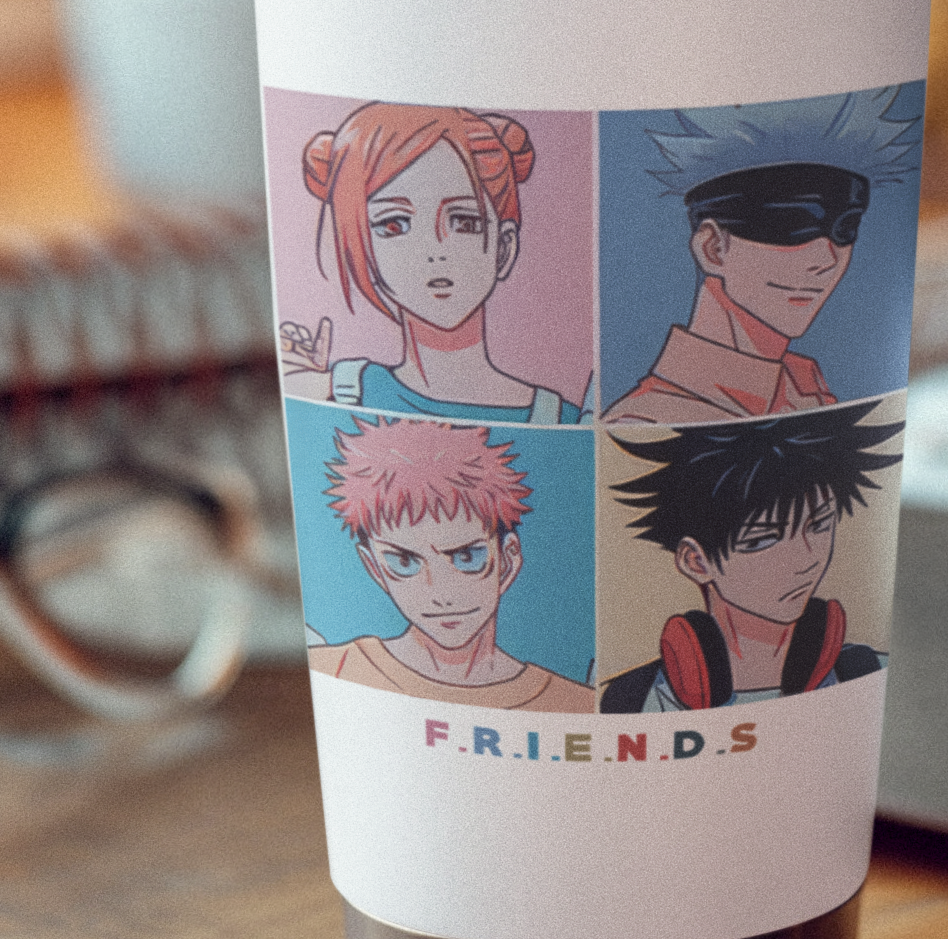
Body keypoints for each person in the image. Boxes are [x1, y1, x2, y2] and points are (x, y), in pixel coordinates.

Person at [604, 92, 917, 424]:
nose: (826, 259)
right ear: (713, 248)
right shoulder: (643, 423)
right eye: (792, 225)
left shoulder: (807, 388)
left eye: (846, 227)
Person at [280, 102, 585, 421]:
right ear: (364, 247)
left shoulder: (558, 418)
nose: (434, 249)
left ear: (504, 249)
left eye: (464, 222)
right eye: (394, 224)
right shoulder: (344, 391)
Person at [599, 404, 900, 711]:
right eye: (763, 539)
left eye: (820, 524)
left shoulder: (864, 672)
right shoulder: (635, 700)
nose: (805, 560)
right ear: (696, 562)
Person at [308, 415, 593, 709]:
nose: (441, 594)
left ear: (508, 559)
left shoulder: (575, 701)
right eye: (405, 562)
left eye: (467, 557)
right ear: (374, 568)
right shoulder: (335, 669)